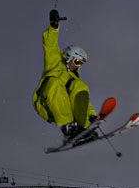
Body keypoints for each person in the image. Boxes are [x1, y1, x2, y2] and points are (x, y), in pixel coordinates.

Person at [33, 9, 97, 139]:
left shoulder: (74, 78)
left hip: (64, 107)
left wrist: (91, 116)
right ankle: (69, 126)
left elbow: (82, 99)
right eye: (77, 61)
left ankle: (83, 127)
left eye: (81, 63)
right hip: (46, 104)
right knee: (54, 82)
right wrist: (54, 25)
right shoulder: (55, 61)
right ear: (69, 57)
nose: (78, 65)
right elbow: (50, 44)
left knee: (79, 85)